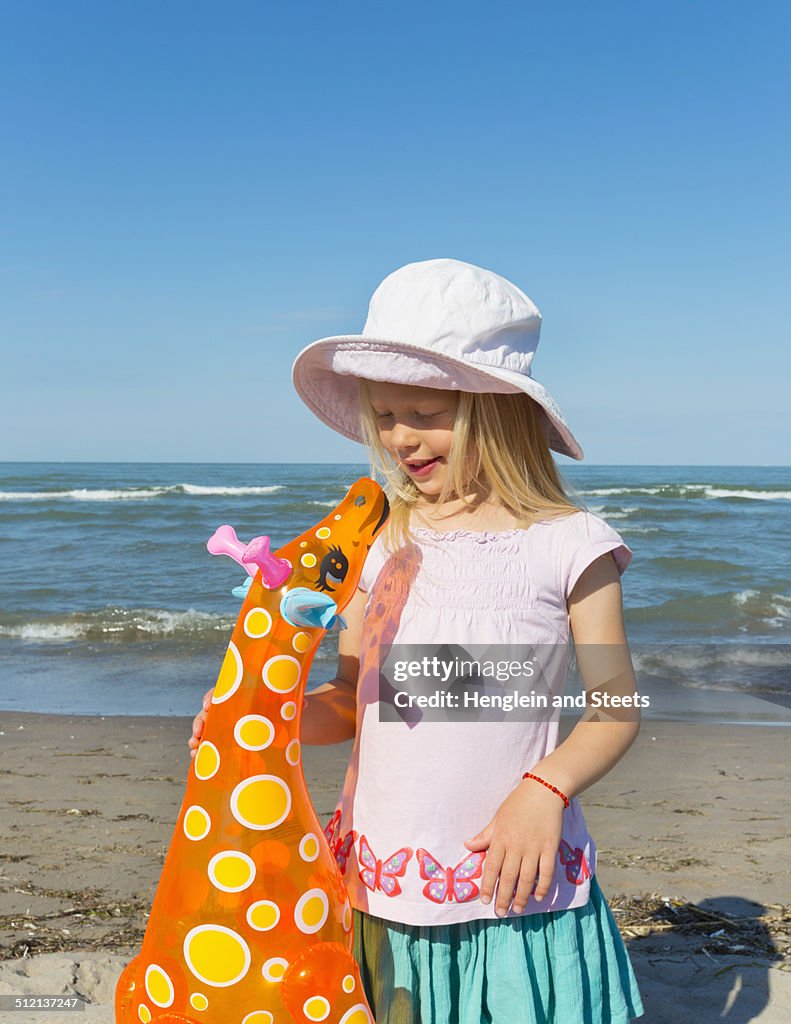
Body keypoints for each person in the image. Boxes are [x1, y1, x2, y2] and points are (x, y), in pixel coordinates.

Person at [189, 258, 645, 1023]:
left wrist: (543, 791)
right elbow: (350, 696)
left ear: (496, 410)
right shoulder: (381, 544)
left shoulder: (571, 544)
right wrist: (268, 718)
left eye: (424, 412)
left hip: (513, 877)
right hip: (379, 877)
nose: (400, 436)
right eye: (385, 414)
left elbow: (616, 706)